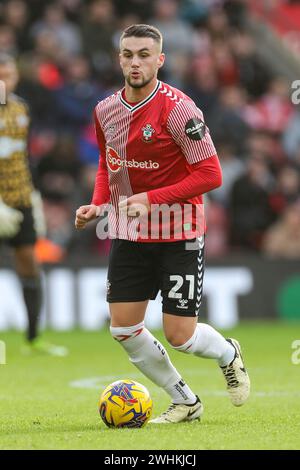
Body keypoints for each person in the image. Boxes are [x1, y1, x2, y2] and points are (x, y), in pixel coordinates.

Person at [75, 24, 250, 423]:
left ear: (160, 60)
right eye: (127, 54)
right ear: (119, 58)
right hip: (128, 231)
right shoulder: (105, 110)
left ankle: (228, 353)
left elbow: (211, 173)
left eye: (143, 55)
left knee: (181, 336)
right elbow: (109, 164)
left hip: (180, 233)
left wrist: (151, 199)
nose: (135, 62)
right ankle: (185, 400)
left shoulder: (179, 109)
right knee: (123, 329)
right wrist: (98, 204)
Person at [0, 53, 67, 356]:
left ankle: (33, 337)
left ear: (15, 76)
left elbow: (24, 156)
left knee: (29, 261)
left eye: (8, 74)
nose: (4, 80)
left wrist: (35, 196)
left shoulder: (21, 109)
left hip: (21, 196)